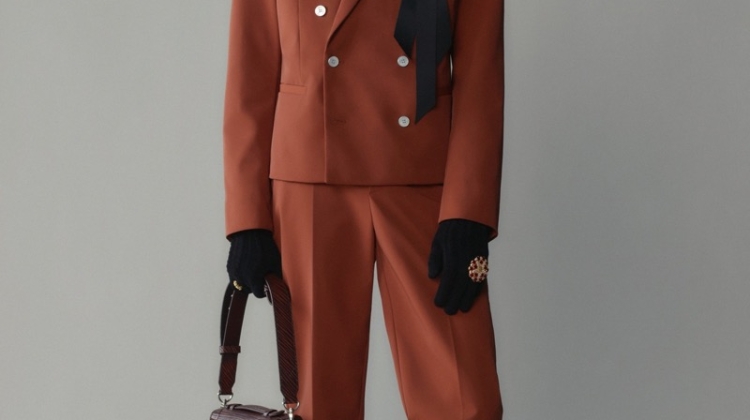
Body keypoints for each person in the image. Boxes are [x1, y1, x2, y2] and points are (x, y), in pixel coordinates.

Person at [222, 0, 505, 418]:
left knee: (465, 399)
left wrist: (468, 212)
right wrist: (248, 221)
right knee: (317, 400)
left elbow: (480, 78)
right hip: (310, 182)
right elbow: (250, 73)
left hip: (428, 183)